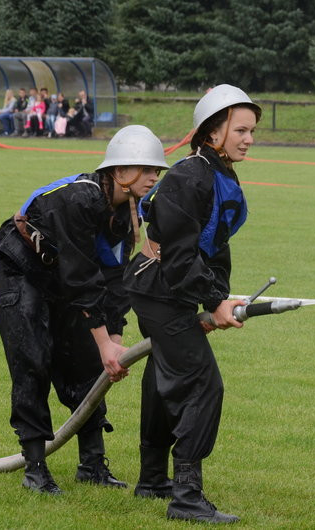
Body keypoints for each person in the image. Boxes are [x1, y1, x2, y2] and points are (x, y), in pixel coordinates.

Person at [0, 125, 170, 495]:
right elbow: (82, 279)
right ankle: (35, 468)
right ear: (120, 171)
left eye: (157, 170)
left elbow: (115, 280)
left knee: (86, 363)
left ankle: (92, 464)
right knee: (33, 358)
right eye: (146, 169)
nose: (154, 177)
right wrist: (104, 344)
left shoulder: (126, 214)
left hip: (63, 276)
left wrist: (113, 342)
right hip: (21, 270)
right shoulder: (80, 199)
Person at [123, 84, 261, 524]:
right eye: (240, 130)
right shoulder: (190, 176)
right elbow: (180, 257)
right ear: (212, 132)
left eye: (251, 131)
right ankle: (185, 496)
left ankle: (152, 480)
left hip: (169, 290)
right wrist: (215, 300)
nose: (249, 139)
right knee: (202, 384)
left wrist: (218, 298)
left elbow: (215, 247)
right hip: (158, 289)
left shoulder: (219, 174)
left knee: (163, 377)